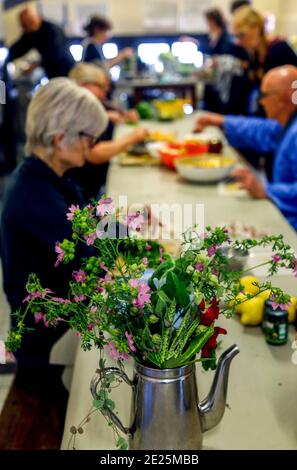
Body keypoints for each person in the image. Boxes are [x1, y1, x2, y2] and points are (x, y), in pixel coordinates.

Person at [0, 78, 108, 369]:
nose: (92, 146)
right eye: (89, 137)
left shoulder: (46, 176)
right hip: (47, 348)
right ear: (60, 138)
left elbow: (87, 226)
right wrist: (128, 232)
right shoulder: (35, 196)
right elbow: (92, 258)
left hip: (59, 330)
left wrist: (126, 224)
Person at [194, 65, 297, 235]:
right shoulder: (289, 124)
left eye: (264, 96)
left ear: (283, 98)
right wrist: (221, 121)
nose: (261, 102)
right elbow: (262, 131)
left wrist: (266, 190)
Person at [68, 62, 148, 201]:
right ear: (82, 85)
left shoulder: (91, 106)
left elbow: (110, 112)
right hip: (83, 193)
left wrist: (121, 116)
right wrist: (131, 138)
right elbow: (93, 153)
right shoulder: (77, 111)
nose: (104, 94)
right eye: (101, 87)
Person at [232, 6, 297, 115]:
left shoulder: (279, 50)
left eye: (242, 35)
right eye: (236, 36)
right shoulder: (255, 54)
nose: (239, 42)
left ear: (256, 29)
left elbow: (295, 93)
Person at [201, 8, 249, 115]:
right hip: (214, 77)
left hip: (228, 80)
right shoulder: (210, 36)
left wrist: (221, 61)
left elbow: (243, 62)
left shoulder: (228, 38)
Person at [6, 6, 75, 78]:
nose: (23, 29)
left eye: (24, 25)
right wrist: (6, 56)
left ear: (32, 21)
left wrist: (32, 67)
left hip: (66, 71)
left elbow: (54, 55)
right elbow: (19, 48)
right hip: (51, 73)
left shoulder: (52, 31)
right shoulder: (32, 32)